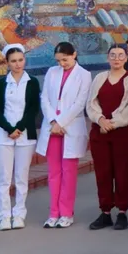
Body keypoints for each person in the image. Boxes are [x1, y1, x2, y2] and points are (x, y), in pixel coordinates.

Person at [85, 45, 128, 231]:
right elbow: (91, 103)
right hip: (99, 133)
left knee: (122, 173)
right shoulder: (100, 78)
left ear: (126, 58)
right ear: (108, 58)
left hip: (123, 133)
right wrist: (101, 120)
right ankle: (105, 212)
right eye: (113, 55)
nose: (116, 59)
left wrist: (112, 124)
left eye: (120, 55)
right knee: (103, 174)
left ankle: (122, 212)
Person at [36, 42, 91, 229]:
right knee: (53, 172)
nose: (62, 64)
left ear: (74, 55)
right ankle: (53, 213)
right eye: (59, 61)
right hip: (52, 129)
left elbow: (79, 103)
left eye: (65, 60)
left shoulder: (84, 75)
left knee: (69, 173)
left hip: (70, 127)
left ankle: (66, 212)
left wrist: (61, 122)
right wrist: (53, 121)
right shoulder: (52, 72)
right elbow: (44, 98)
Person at [0, 44, 39, 231]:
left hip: (25, 136)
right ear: (7, 63)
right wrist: (9, 129)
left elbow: (33, 108)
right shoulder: (1, 84)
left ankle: (19, 214)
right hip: (3, 136)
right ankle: (4, 215)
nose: (18, 64)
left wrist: (20, 127)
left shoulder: (32, 82)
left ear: (24, 60)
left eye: (20, 60)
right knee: (4, 178)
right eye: (13, 61)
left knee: (22, 177)